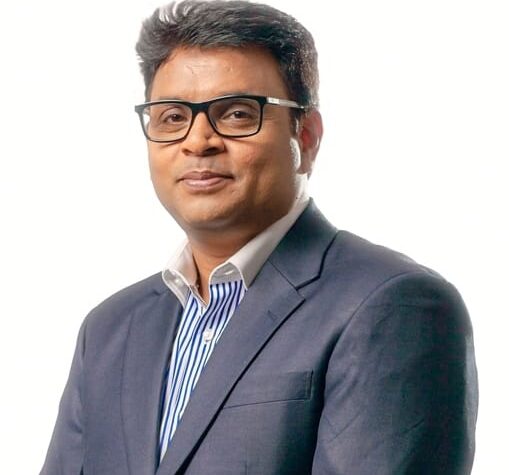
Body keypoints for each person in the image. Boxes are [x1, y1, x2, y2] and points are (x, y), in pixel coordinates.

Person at [40, 1, 478, 474]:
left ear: (306, 137)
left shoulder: (393, 305)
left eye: (236, 114)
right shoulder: (109, 330)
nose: (197, 141)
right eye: (172, 117)